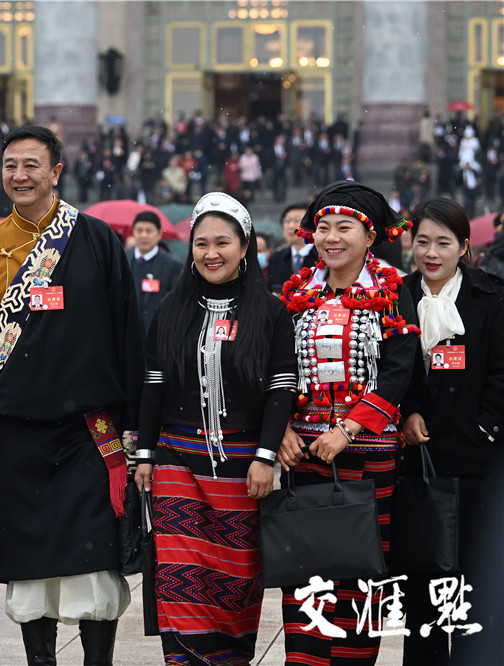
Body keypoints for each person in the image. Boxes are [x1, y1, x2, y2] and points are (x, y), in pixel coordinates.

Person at [0, 125, 144, 666]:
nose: (20, 175)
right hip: (15, 434)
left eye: (32, 165)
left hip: (89, 432)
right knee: (29, 561)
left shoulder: (96, 238)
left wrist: (135, 426)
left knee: (92, 565)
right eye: (11, 165)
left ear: (56, 172)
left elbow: (125, 330)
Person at [135, 192, 297, 664]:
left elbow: (281, 389)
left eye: (222, 242)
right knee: (180, 580)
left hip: (244, 472)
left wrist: (266, 456)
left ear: (245, 247)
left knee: (236, 584)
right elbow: (153, 386)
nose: (211, 253)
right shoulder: (171, 309)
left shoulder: (270, 312)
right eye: (201, 243)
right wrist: (145, 455)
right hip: (177, 464)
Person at [276, 180, 420, 665]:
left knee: (361, 571)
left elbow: (398, 371)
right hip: (305, 456)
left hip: (368, 457)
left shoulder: (394, 290)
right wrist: (281, 430)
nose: (331, 237)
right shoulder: (299, 292)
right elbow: (277, 369)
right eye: (323, 228)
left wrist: (349, 429)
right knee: (307, 570)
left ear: (370, 234)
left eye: (344, 227)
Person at [398, 197, 504, 665]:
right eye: (423, 241)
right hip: (415, 464)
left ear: (464, 247)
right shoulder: (395, 296)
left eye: (444, 243)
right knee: (421, 587)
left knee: (473, 586)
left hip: (477, 462)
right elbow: (389, 371)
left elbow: (501, 375)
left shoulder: (492, 297)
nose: (432, 253)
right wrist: (406, 413)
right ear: (410, 242)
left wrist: (482, 428)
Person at [126, 211, 182, 337]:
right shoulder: (122, 258)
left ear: (159, 234)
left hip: (156, 335)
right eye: (139, 230)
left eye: (149, 231)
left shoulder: (171, 265)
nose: (143, 235)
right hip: (127, 333)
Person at [266, 203, 315, 293]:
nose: (291, 226)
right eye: (287, 221)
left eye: (297, 220)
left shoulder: (321, 257)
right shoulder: (276, 258)